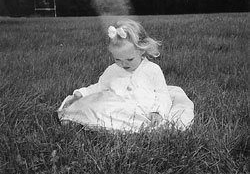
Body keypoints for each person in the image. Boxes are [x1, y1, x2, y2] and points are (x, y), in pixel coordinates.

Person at [57, 19, 194, 131]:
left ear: (141, 50)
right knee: (95, 107)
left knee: (160, 121)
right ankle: (85, 119)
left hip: (144, 110)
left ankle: (129, 127)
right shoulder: (112, 70)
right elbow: (99, 87)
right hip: (118, 108)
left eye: (129, 59)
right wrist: (82, 93)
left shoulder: (152, 70)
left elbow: (162, 94)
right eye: (117, 59)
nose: (123, 64)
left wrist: (157, 111)